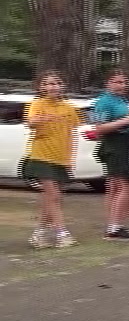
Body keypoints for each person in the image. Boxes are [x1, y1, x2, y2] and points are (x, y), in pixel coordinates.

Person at [22, 70, 82, 250]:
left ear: (62, 86)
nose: (53, 87)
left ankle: (39, 233)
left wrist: (70, 158)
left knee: (52, 198)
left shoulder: (70, 108)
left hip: (60, 158)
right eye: (48, 83)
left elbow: (72, 134)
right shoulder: (37, 104)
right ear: (41, 87)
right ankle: (62, 234)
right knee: (53, 195)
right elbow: (30, 122)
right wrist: (37, 120)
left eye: (56, 83)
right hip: (41, 156)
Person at [90, 71, 129, 240]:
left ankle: (114, 223)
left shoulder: (123, 101)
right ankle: (115, 227)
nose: (122, 85)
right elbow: (99, 128)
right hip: (115, 145)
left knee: (116, 188)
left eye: (125, 82)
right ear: (108, 83)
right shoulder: (102, 102)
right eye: (117, 82)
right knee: (124, 187)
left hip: (127, 144)